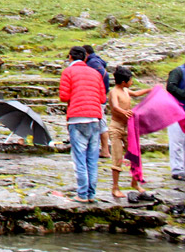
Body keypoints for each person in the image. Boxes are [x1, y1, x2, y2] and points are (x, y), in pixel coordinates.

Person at [59, 45, 107, 202]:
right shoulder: (95, 73)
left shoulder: (68, 72)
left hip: (77, 118)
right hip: (95, 118)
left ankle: (82, 193)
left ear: (70, 57)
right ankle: (91, 193)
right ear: (85, 58)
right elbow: (102, 98)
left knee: (79, 157)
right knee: (92, 158)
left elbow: (64, 96)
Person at [108, 65, 150, 199]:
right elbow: (114, 106)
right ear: (123, 82)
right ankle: (115, 187)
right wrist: (124, 111)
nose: (132, 82)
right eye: (130, 80)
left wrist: (150, 90)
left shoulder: (126, 90)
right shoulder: (114, 92)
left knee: (134, 155)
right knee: (117, 158)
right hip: (116, 128)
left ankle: (135, 182)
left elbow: (136, 93)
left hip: (128, 128)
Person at [85, 44, 112, 158]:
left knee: (101, 123)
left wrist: (100, 91)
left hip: (97, 98)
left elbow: (104, 75)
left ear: (86, 54)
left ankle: (105, 150)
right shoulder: (96, 61)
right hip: (98, 97)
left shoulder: (93, 63)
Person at [169, 58, 185, 181]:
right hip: (176, 111)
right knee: (176, 141)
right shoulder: (178, 71)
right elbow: (170, 87)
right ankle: (177, 170)